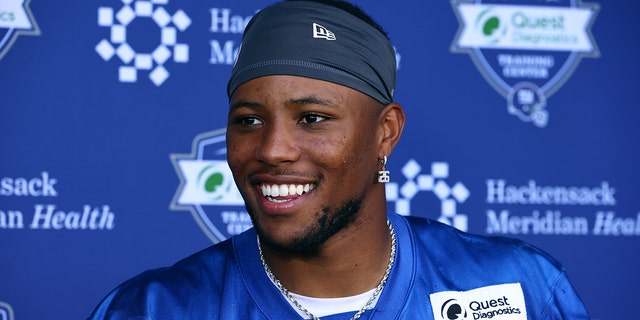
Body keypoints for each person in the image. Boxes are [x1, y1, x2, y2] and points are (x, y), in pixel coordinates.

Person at [89, 0, 590, 319]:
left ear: (385, 133)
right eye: (248, 120)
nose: (272, 149)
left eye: (312, 118)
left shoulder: (518, 289)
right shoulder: (153, 309)